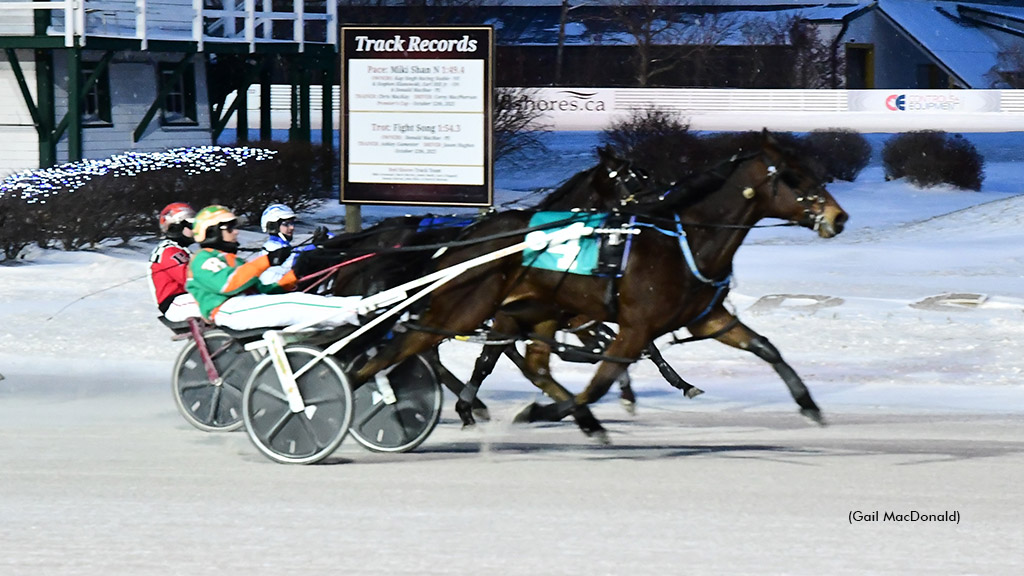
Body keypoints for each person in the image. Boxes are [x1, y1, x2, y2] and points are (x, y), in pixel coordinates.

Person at [186, 205, 361, 331]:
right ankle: (359, 310)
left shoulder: (233, 260)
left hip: (241, 305)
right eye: (230, 227)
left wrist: (291, 278)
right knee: (294, 304)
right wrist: (267, 261)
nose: (236, 232)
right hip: (225, 309)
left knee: (299, 305)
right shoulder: (203, 258)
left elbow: (262, 291)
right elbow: (228, 284)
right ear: (211, 232)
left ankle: (353, 313)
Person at [149, 202, 201, 322]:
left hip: (185, 298)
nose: (195, 230)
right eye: (191, 225)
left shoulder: (180, 249)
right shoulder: (169, 250)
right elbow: (188, 279)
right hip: (175, 302)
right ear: (177, 227)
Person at [259, 203, 330, 284]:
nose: (292, 227)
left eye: (292, 223)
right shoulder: (271, 246)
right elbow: (292, 262)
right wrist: (314, 246)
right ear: (273, 226)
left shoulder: (282, 245)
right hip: (273, 293)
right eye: (286, 224)